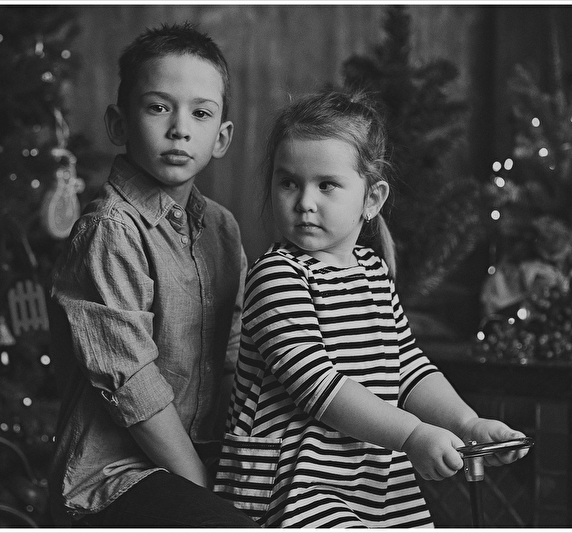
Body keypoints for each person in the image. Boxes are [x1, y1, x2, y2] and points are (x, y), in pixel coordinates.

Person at [213, 90, 530, 528]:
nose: (304, 201)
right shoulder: (278, 276)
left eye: (326, 185)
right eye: (288, 182)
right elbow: (318, 385)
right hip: (293, 484)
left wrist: (466, 423)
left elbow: (409, 368)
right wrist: (412, 434)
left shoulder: (372, 272)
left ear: (372, 199)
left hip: (372, 481)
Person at [46, 21, 257, 527]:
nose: (180, 128)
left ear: (222, 137)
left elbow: (236, 356)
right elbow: (132, 384)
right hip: (115, 479)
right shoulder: (110, 230)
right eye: (159, 107)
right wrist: (207, 490)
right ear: (119, 125)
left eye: (200, 113)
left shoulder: (222, 229)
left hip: (206, 457)